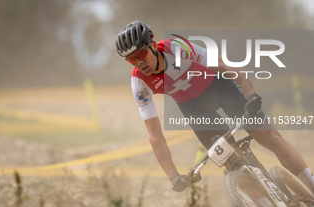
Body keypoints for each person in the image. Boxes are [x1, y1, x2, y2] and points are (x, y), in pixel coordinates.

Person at [115, 20, 314, 194]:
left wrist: (251, 95)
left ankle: (311, 185)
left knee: (269, 137)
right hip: (193, 108)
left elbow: (227, 66)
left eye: (141, 53)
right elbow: (155, 135)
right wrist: (173, 176)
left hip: (217, 86)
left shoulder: (176, 47)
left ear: (152, 44)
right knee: (233, 164)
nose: (139, 62)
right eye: (132, 59)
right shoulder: (139, 83)